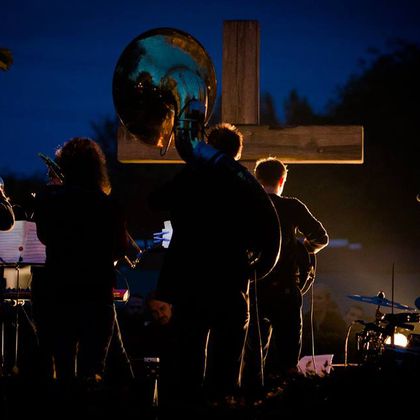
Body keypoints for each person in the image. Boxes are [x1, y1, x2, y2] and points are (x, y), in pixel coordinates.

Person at [148, 123, 258, 406]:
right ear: (237, 152)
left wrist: (193, 166)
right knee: (226, 372)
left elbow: (154, 199)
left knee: (187, 366)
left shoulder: (192, 177)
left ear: (208, 149)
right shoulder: (244, 182)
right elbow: (264, 231)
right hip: (231, 287)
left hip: (190, 288)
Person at [32, 137, 130, 388]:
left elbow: (44, 235)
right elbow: (120, 248)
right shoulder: (109, 206)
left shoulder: (49, 200)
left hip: (58, 293)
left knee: (62, 370)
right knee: (92, 373)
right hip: (96, 294)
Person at [253, 157, 329, 386]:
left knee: (253, 357)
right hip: (286, 289)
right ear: (282, 180)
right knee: (288, 357)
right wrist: (300, 249)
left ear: (257, 179)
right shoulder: (292, 206)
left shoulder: (248, 205)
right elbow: (321, 238)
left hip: (254, 288)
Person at [301, 283, 347, 363]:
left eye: (319, 298)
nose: (314, 301)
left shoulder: (336, 321)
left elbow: (343, 343)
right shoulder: (304, 320)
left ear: (327, 300)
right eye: (312, 298)